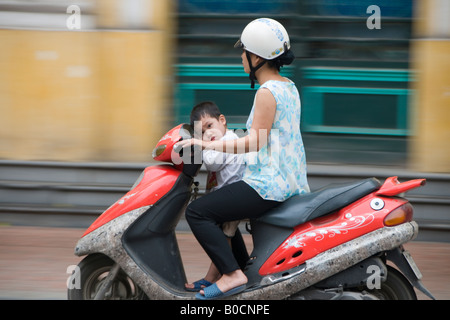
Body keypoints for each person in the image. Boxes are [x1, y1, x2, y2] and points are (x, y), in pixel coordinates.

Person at [177, 18, 310, 300]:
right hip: (290, 181)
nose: (241, 56)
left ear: (258, 56)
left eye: (245, 51)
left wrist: (203, 143)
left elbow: (255, 141)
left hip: (267, 184)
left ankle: (232, 275)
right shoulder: (290, 87)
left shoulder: (266, 92)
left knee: (198, 212)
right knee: (224, 211)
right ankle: (237, 272)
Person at [185, 101, 246, 292]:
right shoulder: (219, 142)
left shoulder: (228, 140)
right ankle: (239, 268)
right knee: (226, 235)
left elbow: (213, 164)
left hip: (233, 197)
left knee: (224, 238)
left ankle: (214, 278)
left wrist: (200, 145)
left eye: (210, 126)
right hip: (226, 195)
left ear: (222, 120)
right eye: (202, 132)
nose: (208, 134)